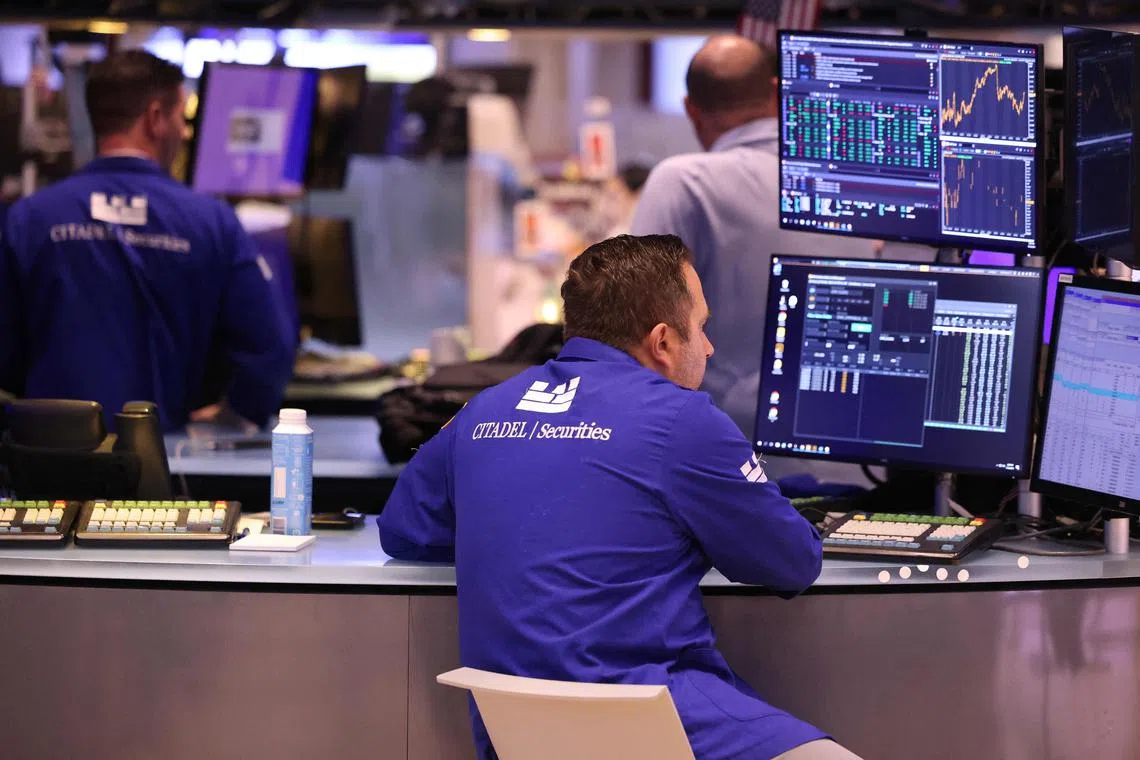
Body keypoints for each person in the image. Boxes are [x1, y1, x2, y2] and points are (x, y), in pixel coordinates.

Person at [378, 234, 863, 760]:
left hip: (513, 737)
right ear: (663, 341)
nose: (708, 347)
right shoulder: (685, 420)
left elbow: (404, 532)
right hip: (654, 721)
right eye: (701, 327)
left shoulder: (484, 410)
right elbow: (792, 562)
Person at [0, 50, 296, 431]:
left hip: (49, 456)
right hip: (163, 455)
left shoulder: (28, 218)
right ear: (155, 118)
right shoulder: (213, 222)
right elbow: (269, 351)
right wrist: (232, 417)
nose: (185, 132)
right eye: (181, 118)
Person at [630, 36, 879, 465]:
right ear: (778, 91)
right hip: (859, 457)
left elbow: (636, 329)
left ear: (691, 109)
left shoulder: (683, 182)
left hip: (727, 462)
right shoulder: (856, 182)